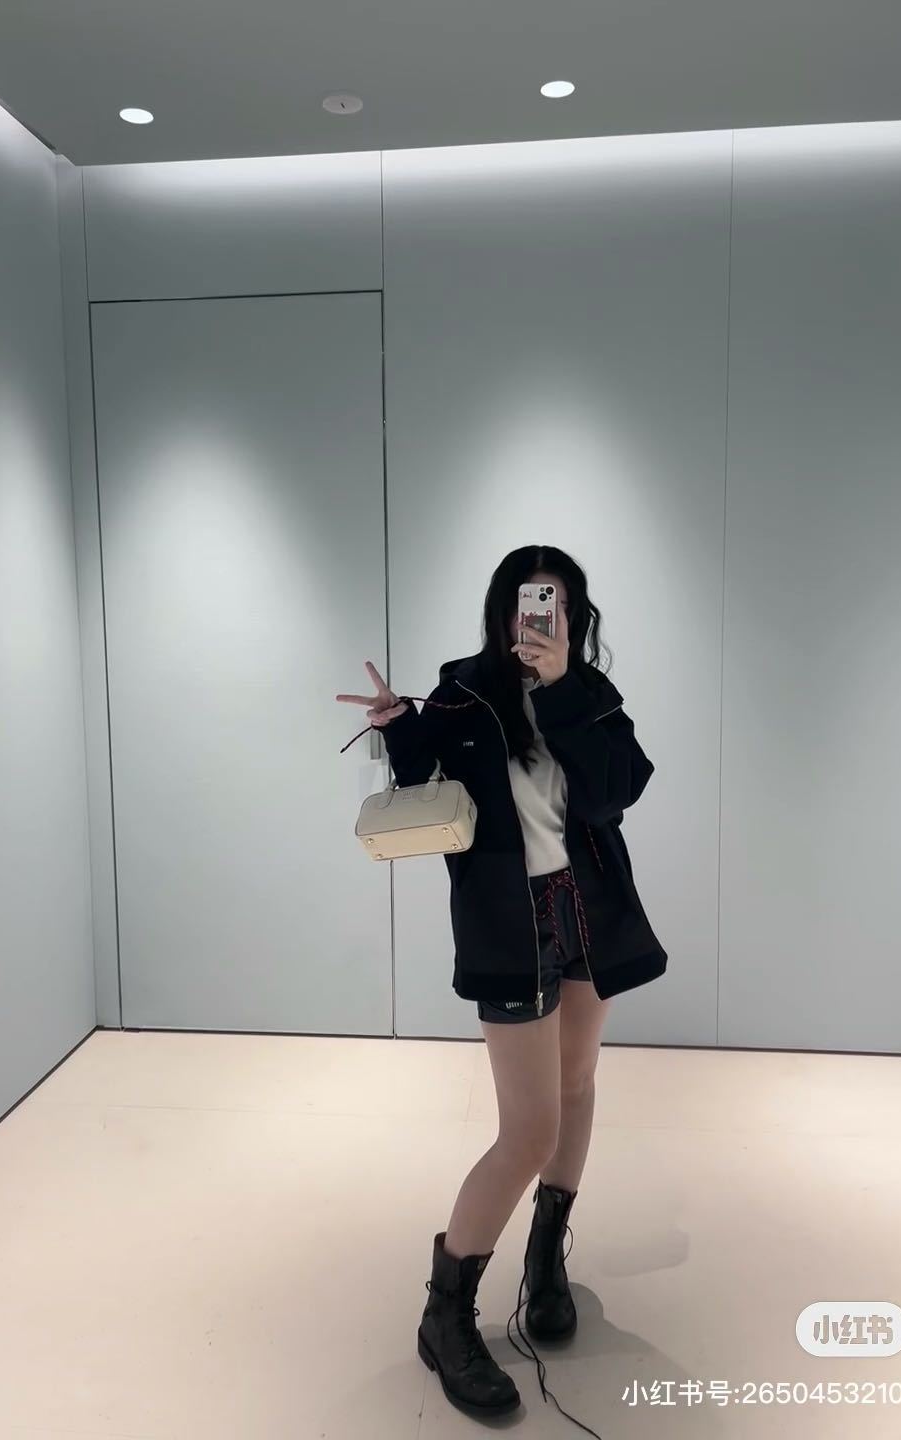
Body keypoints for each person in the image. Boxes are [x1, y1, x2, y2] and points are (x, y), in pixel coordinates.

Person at [336, 545, 667, 1426]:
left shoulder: (588, 694)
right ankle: (444, 1314)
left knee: (577, 1085)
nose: (537, 618)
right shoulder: (465, 691)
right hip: (506, 921)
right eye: (526, 603)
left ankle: (545, 1259)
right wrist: (396, 724)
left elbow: (615, 795)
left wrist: (561, 692)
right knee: (527, 1131)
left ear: (572, 616)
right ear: (501, 611)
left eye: (553, 605)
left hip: (587, 909)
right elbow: (421, 781)